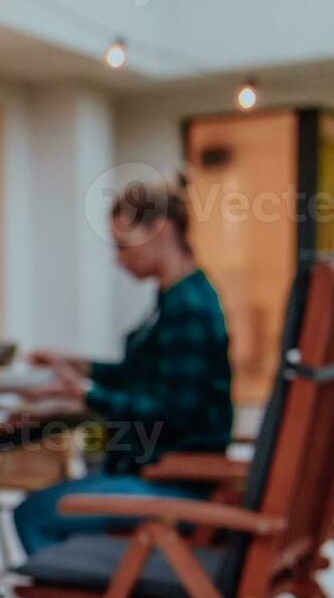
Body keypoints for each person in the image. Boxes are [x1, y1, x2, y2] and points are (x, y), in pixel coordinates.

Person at [13, 174, 234, 556]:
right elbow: (146, 377)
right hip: (162, 469)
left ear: (160, 230)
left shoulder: (188, 308)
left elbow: (172, 413)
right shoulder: (181, 295)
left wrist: (86, 394)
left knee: (33, 514)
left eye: (123, 245)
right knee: (75, 488)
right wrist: (79, 367)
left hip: (174, 481)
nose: (118, 258)